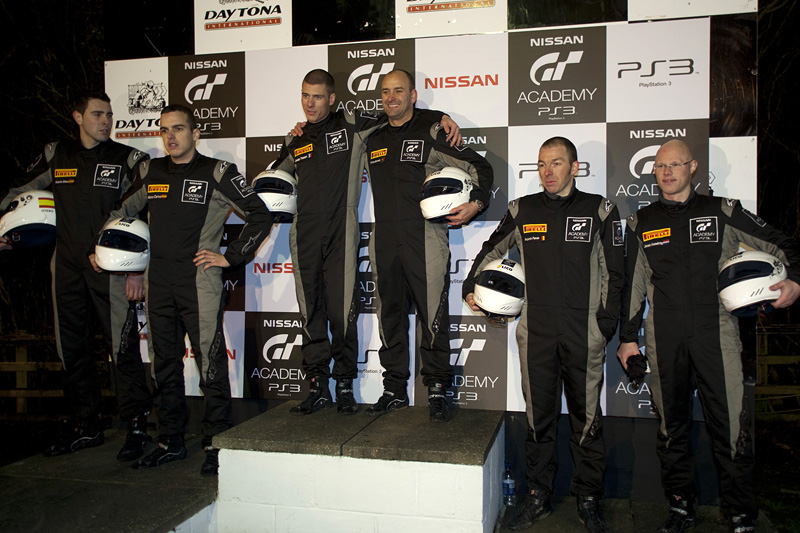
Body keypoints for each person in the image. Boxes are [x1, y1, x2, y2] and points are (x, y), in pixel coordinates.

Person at [617, 139, 800, 533]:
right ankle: (681, 508)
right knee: (672, 429)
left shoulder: (722, 211)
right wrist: (628, 338)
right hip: (665, 337)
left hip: (717, 332)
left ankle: (740, 514)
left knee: (730, 427)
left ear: (693, 167)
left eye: (675, 165)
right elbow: (632, 286)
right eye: (661, 166)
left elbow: (780, 244)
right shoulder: (641, 221)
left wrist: (795, 280)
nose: (667, 172)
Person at [272, 69, 462, 417]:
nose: (310, 103)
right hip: (304, 234)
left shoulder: (353, 125)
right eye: (305, 96)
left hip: (343, 230)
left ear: (332, 99)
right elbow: (272, 182)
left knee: (342, 313)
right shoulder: (294, 140)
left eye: (318, 96)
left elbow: (399, 113)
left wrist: (440, 118)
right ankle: (318, 386)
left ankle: (345, 385)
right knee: (310, 314)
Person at [94, 104, 273, 475]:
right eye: (164, 130)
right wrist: (114, 254)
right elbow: (120, 214)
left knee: (210, 362)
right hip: (158, 282)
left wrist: (231, 256)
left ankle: (216, 442)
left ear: (195, 133)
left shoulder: (217, 172)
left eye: (177, 128)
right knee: (164, 365)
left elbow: (260, 213)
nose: (170, 136)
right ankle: (170, 440)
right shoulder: (152, 171)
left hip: (198, 282)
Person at [463, 137, 622, 532]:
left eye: (556, 163)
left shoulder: (599, 210)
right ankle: (538, 496)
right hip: (536, 334)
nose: (547, 172)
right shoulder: (523, 210)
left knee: (587, 420)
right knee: (539, 419)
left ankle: (588, 499)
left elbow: (615, 274)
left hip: (583, 333)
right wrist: (470, 286)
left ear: (575, 167)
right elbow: (491, 249)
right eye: (541, 164)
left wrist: (603, 327)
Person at [0, 92, 153, 461]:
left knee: (122, 347)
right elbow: (17, 192)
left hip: (111, 265)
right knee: (71, 346)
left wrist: (137, 268)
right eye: (97, 114)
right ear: (77, 117)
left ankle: (136, 426)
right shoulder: (57, 154)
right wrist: (6, 226)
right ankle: (87, 426)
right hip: (66, 265)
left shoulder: (129, 159)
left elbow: (148, 211)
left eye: (110, 115)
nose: (106, 121)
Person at [364, 69, 493, 423]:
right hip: (384, 239)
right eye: (385, 91)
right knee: (388, 317)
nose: (391, 97)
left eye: (399, 91)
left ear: (413, 95)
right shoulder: (372, 135)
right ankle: (393, 389)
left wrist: (476, 203)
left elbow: (480, 167)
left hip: (425, 237)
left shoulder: (431, 131)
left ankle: (437, 389)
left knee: (432, 316)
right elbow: (334, 125)